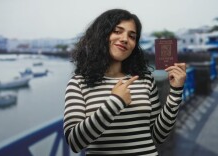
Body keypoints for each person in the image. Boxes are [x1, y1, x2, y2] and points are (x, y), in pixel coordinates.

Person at [63, 9, 186, 155]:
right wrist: (115, 102)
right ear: (101, 35)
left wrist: (176, 91)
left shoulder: (144, 80)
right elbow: (75, 142)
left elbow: (158, 136)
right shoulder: (78, 83)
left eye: (132, 36)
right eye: (117, 31)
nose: (125, 39)